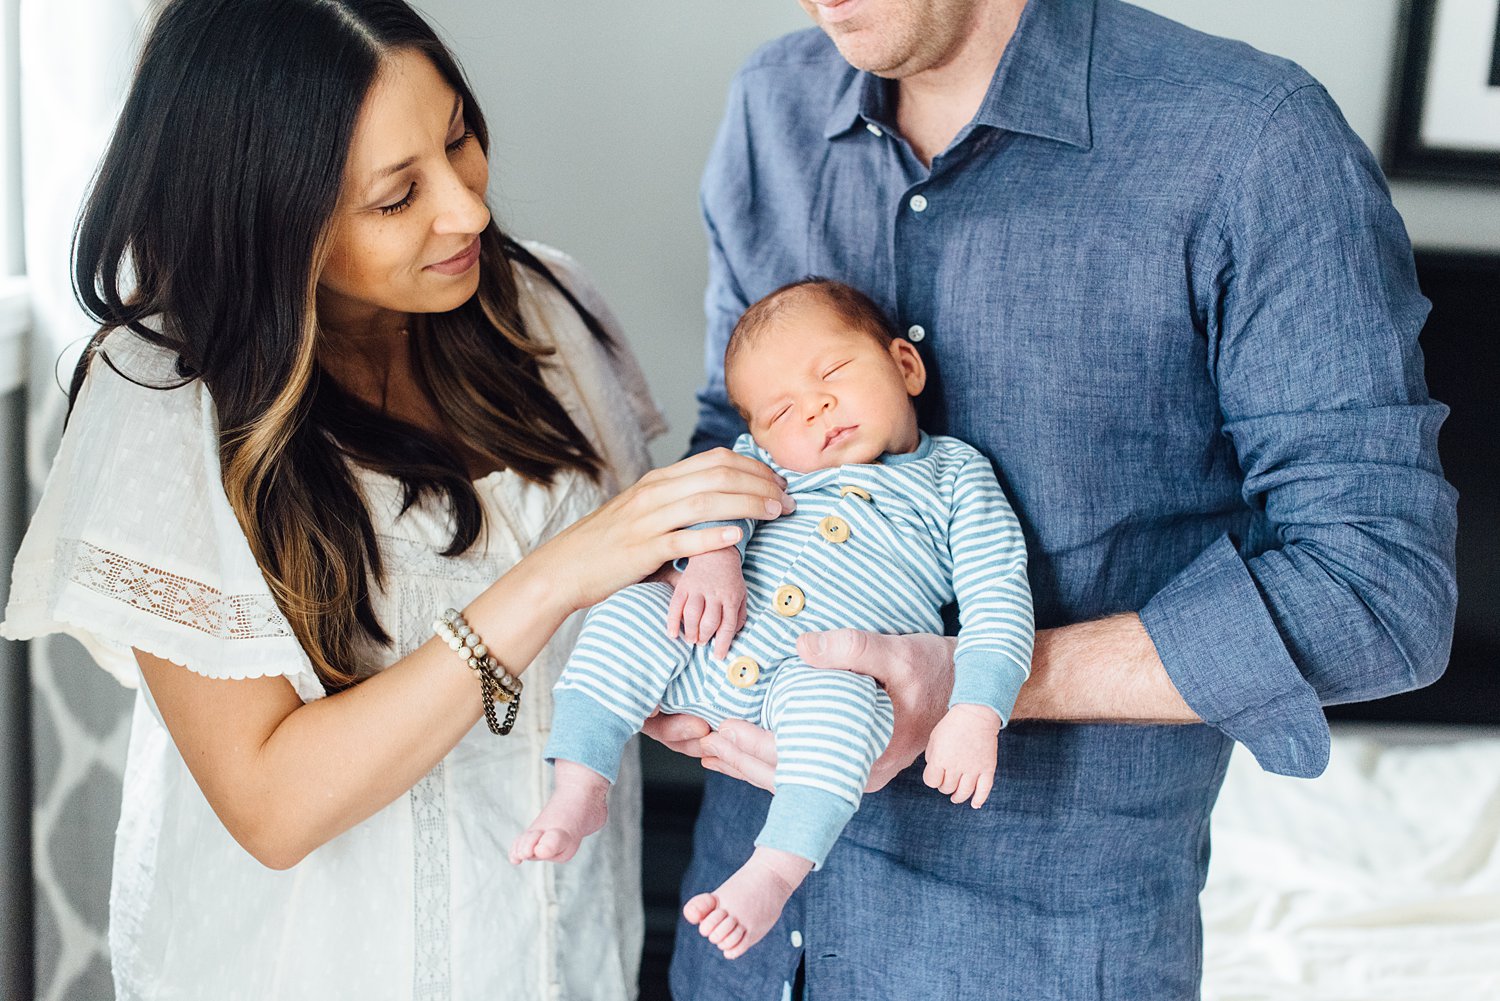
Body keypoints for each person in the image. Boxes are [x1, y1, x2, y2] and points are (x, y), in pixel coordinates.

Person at [666, 0, 1460, 998]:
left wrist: (978, 681)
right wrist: (687, 579)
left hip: (1032, 957)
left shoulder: (1254, 141)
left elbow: (1382, 592)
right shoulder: (770, 105)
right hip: (736, 941)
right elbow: (726, 433)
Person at [0, 1, 794, 998]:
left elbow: (624, 614)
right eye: (394, 196)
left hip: (561, 957)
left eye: (460, 137)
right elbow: (272, 804)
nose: (465, 209)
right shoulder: (161, 402)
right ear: (272, 218)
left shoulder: (551, 309)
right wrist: (546, 581)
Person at [511, 278, 1033, 960]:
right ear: (756, 434)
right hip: (703, 645)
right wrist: (714, 558)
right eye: (782, 412)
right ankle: (580, 782)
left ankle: (774, 869)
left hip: (816, 680)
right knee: (631, 611)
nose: (816, 410)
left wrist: (975, 710)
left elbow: (999, 597)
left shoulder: (957, 478)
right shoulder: (763, 465)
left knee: (846, 704)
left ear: (905, 366)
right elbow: (715, 491)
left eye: (834, 374)